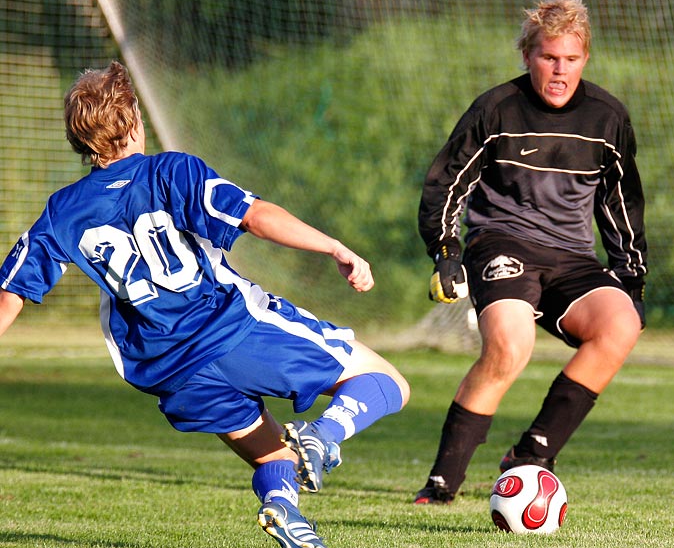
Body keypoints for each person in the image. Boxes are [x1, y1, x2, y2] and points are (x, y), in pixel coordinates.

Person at [0, 61, 410, 547]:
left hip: (168, 368)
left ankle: (282, 510)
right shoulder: (170, 170)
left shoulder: (62, 209)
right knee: (388, 382)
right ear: (132, 119)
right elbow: (254, 216)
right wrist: (334, 247)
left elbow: (9, 297)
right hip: (230, 330)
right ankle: (324, 435)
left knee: (274, 456)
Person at [414, 0, 647, 504]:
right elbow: (446, 184)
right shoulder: (496, 108)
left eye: (570, 59)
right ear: (528, 55)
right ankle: (442, 483)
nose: (559, 71)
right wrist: (447, 250)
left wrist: (632, 277)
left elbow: (620, 201)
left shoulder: (608, 118)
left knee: (621, 324)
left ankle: (532, 455)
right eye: (548, 57)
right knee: (511, 347)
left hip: (571, 258)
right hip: (501, 243)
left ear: (586, 58)